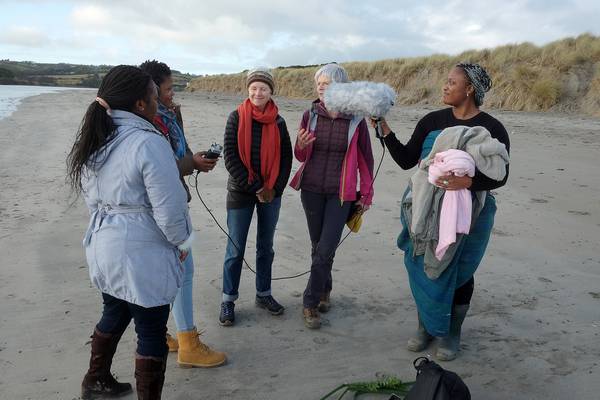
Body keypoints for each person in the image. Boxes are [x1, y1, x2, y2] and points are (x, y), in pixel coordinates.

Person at [67, 65, 192, 399]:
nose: (159, 101)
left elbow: (92, 198)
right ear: (141, 104)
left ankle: (95, 379)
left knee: (116, 308)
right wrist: (182, 242)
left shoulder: (97, 137)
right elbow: (169, 209)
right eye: (155, 95)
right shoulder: (148, 142)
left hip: (103, 244)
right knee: (151, 329)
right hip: (140, 251)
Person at [372, 63, 510, 361]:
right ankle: (425, 326)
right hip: (425, 207)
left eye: (451, 82)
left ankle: (451, 332)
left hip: (472, 212)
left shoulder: (491, 128)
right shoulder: (431, 121)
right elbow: (408, 160)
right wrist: (385, 131)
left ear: (470, 88)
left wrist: (468, 181)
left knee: (460, 270)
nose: (445, 87)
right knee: (422, 263)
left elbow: (501, 173)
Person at [140, 60, 226, 368]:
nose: (171, 93)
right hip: (164, 208)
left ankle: (163, 335)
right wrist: (191, 164)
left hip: (170, 201)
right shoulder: (149, 122)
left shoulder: (166, 115)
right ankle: (188, 344)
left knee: (165, 273)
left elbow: (180, 156)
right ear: (149, 92)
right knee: (182, 272)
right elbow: (159, 171)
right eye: (166, 89)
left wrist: (194, 160)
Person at [289, 63, 375, 329]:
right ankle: (325, 289)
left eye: (327, 84)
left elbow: (367, 160)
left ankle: (310, 302)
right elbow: (301, 156)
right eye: (319, 84)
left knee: (325, 248)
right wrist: (300, 146)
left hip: (341, 194)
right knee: (318, 247)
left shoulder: (357, 121)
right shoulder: (310, 115)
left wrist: (366, 194)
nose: (322, 88)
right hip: (312, 189)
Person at [219, 68, 292, 326]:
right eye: (254, 88)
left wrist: (275, 188)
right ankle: (228, 300)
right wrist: (257, 188)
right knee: (235, 248)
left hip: (271, 193)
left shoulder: (279, 122)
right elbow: (230, 157)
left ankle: (264, 294)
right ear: (248, 90)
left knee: (265, 247)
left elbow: (286, 159)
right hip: (241, 192)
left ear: (271, 91)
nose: (257, 92)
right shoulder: (236, 117)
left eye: (263, 88)